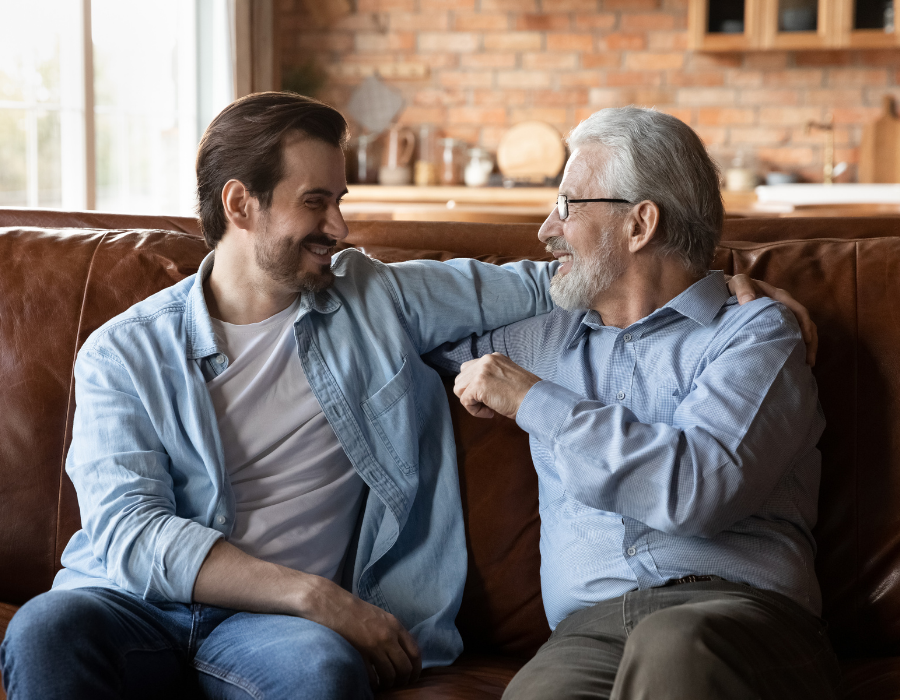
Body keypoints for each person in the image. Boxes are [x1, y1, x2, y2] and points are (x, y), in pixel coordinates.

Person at [0, 93, 812, 700]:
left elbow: (591, 281)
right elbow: (132, 534)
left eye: (341, 199)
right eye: (317, 202)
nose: (343, 228)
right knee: (45, 628)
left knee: (322, 674)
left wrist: (729, 274)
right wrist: (322, 598)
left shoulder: (379, 302)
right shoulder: (122, 350)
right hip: (141, 604)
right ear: (239, 205)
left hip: (277, 638)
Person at [434, 106, 840, 699]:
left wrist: (532, 400)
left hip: (740, 617)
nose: (547, 228)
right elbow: (385, 322)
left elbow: (697, 489)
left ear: (640, 223)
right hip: (586, 634)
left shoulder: (755, 335)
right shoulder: (539, 338)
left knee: (674, 647)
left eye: (569, 204)